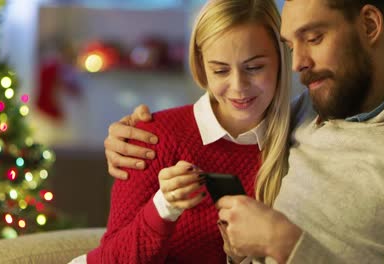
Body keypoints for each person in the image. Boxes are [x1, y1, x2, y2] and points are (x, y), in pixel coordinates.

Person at [104, 0, 384, 263]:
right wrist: (128, 136)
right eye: (293, 47)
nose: (298, 65)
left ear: (369, 25)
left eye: (314, 38)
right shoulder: (308, 108)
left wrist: (283, 242)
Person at [80, 0, 292, 263]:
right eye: (220, 70)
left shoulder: (298, 140)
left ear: (281, 60)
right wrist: (163, 207)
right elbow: (109, 259)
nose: (238, 86)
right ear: (202, 67)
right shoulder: (151, 138)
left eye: (254, 67)